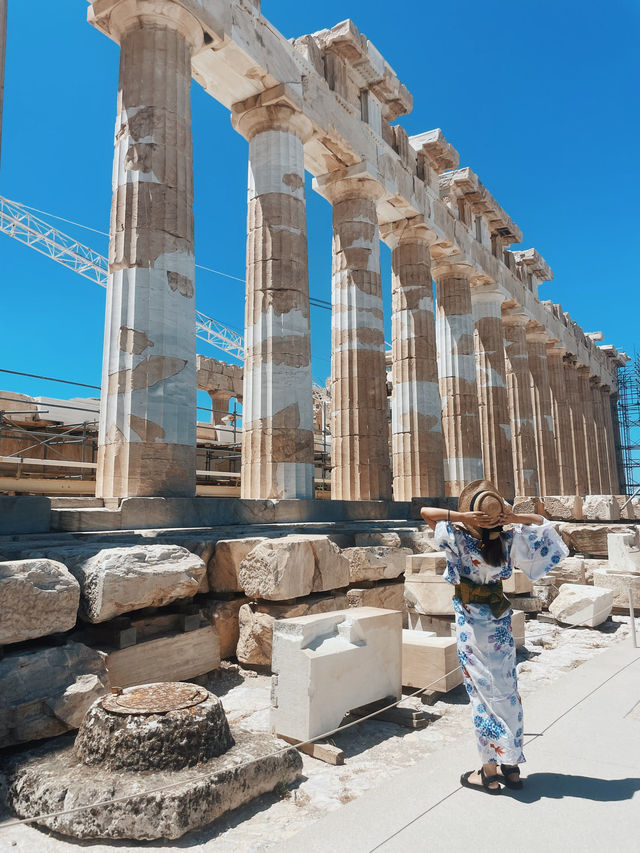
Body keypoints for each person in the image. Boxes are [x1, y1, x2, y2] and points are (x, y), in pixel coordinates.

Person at [420, 479, 569, 794]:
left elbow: (427, 513)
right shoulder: (509, 541)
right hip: (501, 624)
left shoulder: (459, 539)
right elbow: (543, 524)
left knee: (482, 697)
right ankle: (511, 767)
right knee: (508, 693)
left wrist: (465, 519)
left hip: (472, 625)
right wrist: (511, 518)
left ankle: (488, 771)